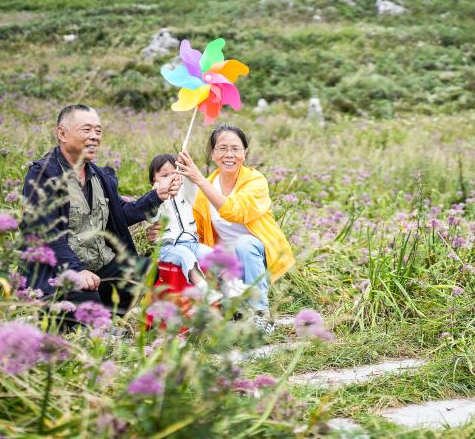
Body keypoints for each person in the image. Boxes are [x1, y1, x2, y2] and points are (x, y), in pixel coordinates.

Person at [21, 104, 180, 316]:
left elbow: (119, 215)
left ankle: (112, 318)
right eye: (86, 130)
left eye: (98, 130)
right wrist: (77, 271)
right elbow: (49, 236)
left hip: (97, 267)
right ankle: (85, 318)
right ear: (62, 133)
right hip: (58, 271)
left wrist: (156, 196)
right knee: (84, 296)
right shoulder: (43, 175)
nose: (95, 136)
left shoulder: (99, 175)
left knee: (143, 269)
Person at [147, 124, 294, 329]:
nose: (229, 154)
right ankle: (230, 307)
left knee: (245, 243)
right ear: (213, 153)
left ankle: (261, 313)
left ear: (245, 153)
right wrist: (161, 231)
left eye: (236, 148)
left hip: (254, 260)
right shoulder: (207, 185)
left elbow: (235, 211)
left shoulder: (255, 181)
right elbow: (191, 227)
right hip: (225, 266)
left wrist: (198, 179)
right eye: (222, 148)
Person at [147, 153, 212, 289]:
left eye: (174, 175)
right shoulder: (152, 199)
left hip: (192, 242)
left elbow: (192, 187)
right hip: (168, 247)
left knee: (214, 255)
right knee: (186, 256)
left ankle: (231, 289)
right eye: (164, 176)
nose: (170, 179)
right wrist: (156, 196)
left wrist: (184, 170)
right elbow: (151, 217)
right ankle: (204, 290)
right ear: (153, 181)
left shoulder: (184, 193)